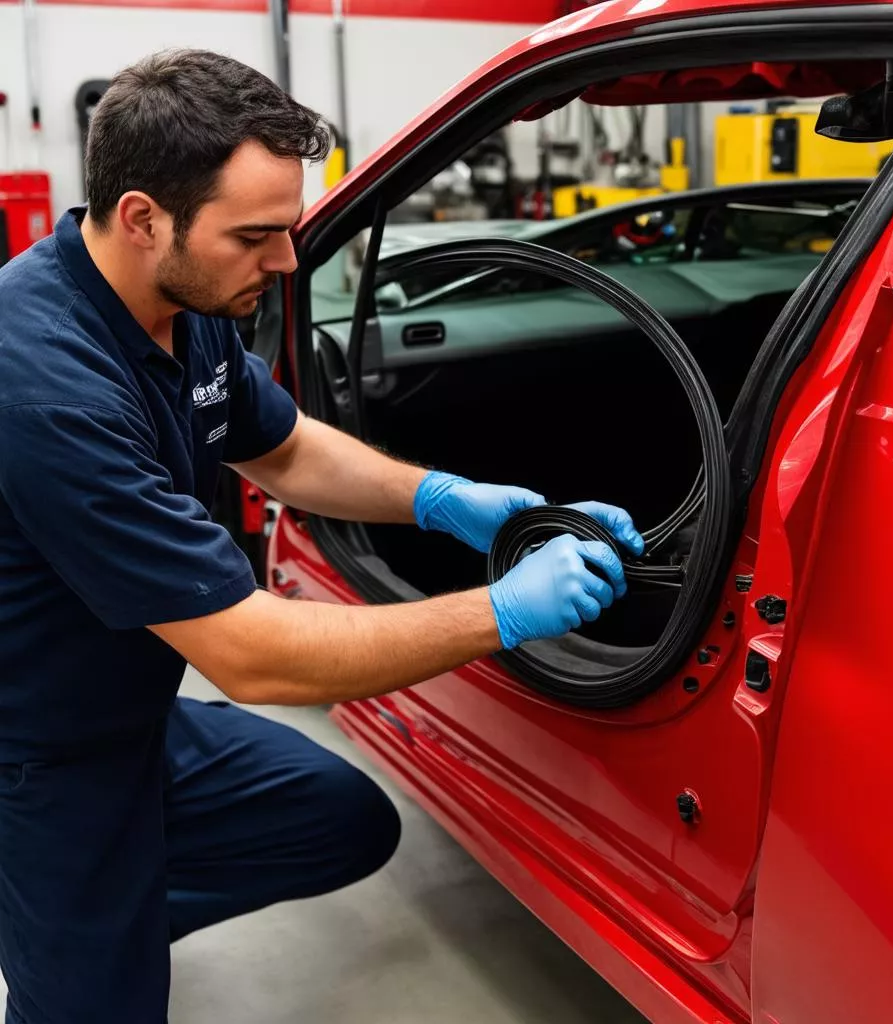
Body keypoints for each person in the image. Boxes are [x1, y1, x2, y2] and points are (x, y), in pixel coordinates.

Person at [0, 49, 644, 1023]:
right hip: (34, 749)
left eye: (290, 228)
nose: (287, 261)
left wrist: (453, 499)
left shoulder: (188, 300)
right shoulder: (44, 381)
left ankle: (97, 929)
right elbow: (253, 656)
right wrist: (505, 610)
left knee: (336, 822)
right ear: (142, 219)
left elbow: (288, 451)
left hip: (128, 713)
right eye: (257, 235)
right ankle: (75, 948)